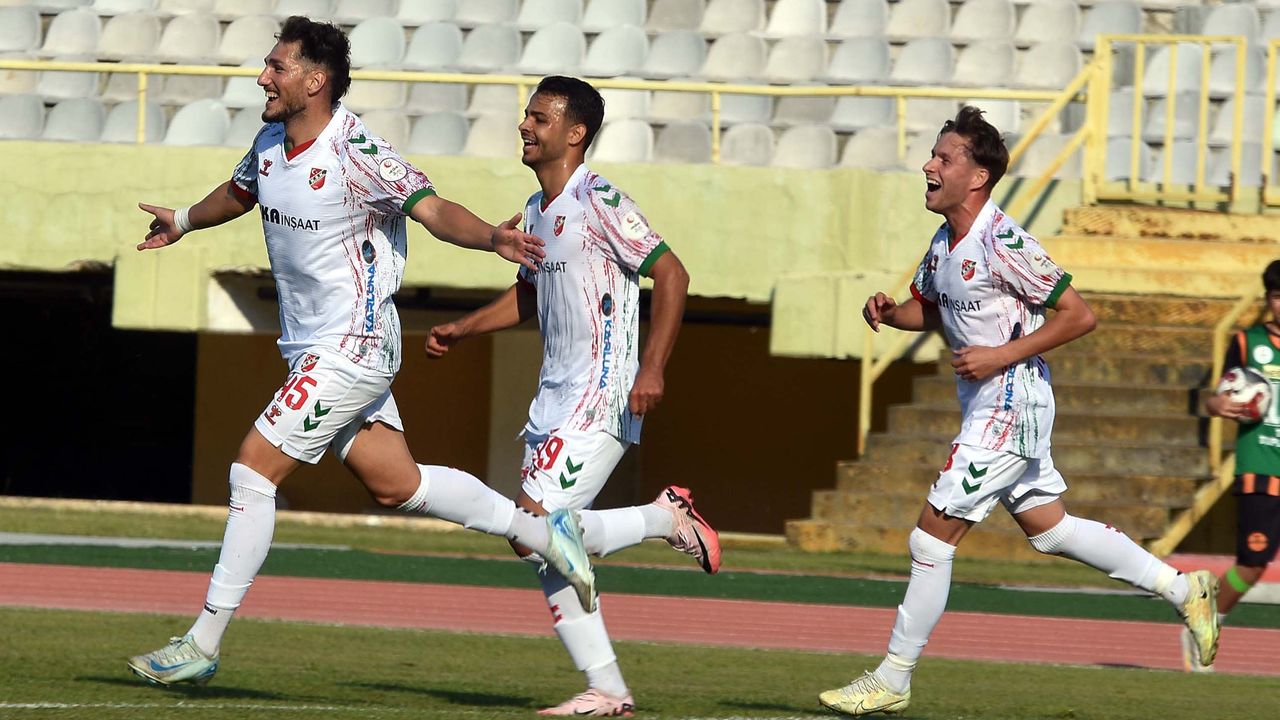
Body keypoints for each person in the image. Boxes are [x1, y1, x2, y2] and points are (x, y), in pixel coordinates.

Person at [126, 18, 601, 688]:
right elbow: (240, 192)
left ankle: (202, 642)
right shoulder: (269, 143)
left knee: (253, 471)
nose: (263, 78)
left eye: (277, 67)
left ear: (315, 80)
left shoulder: (357, 151)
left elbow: (430, 209)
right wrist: (181, 220)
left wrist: (491, 238)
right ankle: (544, 533)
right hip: (314, 349)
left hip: (353, 345)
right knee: (398, 486)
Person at [818, 107, 1221, 717]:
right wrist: (891, 312)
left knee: (931, 536)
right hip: (989, 404)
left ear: (977, 176)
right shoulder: (944, 242)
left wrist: (999, 354)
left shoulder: (1003, 242)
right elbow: (933, 308)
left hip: (1010, 402)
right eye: (933, 155)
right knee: (1050, 529)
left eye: (943, 158)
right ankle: (1183, 588)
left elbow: (1079, 315)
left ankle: (893, 678)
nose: (928, 165)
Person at [425, 75, 720, 718]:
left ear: (575, 132)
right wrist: (464, 328)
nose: (525, 126)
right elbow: (530, 295)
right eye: (526, 116)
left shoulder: (600, 198)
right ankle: (609, 690)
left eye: (540, 118)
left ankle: (663, 519)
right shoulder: (536, 210)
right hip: (553, 397)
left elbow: (671, 273)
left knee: (535, 529)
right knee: (546, 549)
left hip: (601, 391)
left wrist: (652, 369)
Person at [1186, 259, 1280, 672]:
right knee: (1253, 563)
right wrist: (1218, 404)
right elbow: (1214, 397)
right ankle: (1205, 623)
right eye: (1277, 297)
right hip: (1261, 467)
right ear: (1268, 299)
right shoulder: (1246, 342)